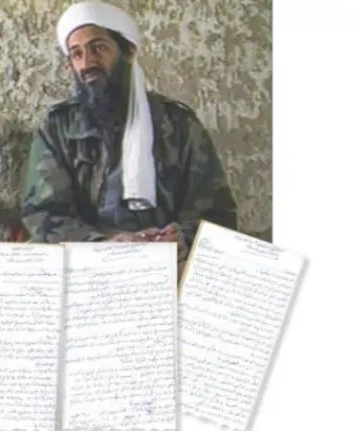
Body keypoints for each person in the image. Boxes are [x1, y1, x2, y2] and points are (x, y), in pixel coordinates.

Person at [20, 1, 239, 268]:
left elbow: (217, 212)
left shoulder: (178, 125)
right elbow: (43, 214)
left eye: (99, 48)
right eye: (76, 54)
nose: (87, 63)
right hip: (89, 262)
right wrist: (102, 245)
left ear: (128, 51)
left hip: (166, 262)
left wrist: (183, 238)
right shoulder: (58, 127)